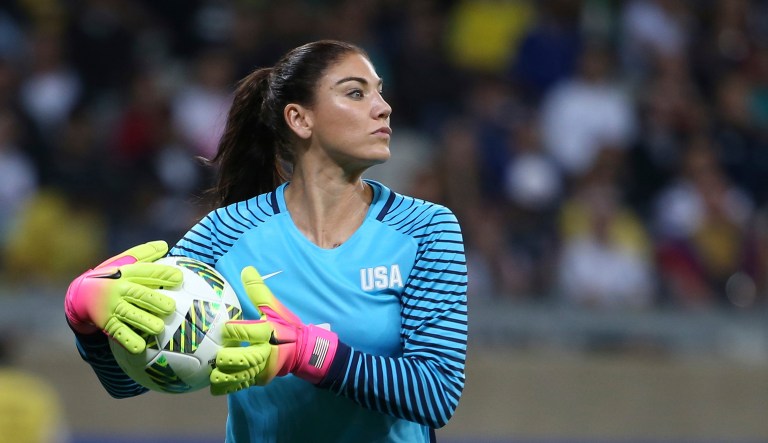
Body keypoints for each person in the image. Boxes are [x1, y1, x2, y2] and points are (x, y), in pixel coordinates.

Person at [63, 40, 468, 442]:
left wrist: (312, 354)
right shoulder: (223, 233)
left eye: (379, 91)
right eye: (356, 93)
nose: (383, 106)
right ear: (300, 119)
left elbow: (436, 393)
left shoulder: (425, 228)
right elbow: (134, 381)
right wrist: (88, 324)